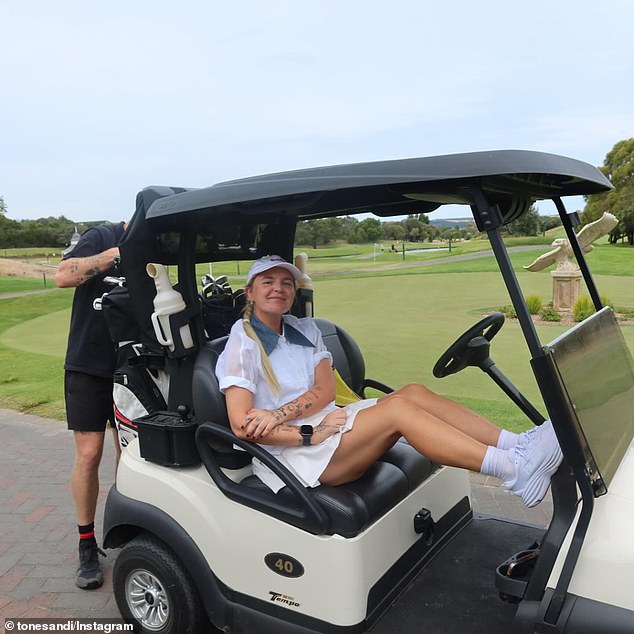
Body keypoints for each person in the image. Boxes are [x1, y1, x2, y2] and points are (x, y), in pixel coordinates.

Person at [215, 255, 563, 508]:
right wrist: (310, 433)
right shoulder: (241, 345)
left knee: (413, 392)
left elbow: (325, 392)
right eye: (268, 282)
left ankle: (518, 444)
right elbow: (243, 427)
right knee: (398, 410)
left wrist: (278, 414)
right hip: (295, 455)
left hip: (327, 426)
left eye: (286, 283)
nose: (279, 289)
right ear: (250, 292)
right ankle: (513, 470)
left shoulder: (305, 330)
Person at [55, 221, 127, 589]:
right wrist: (112, 256)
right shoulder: (104, 236)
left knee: (130, 455)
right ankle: (86, 544)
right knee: (89, 454)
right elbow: (63, 276)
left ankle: (127, 527)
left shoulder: (160, 244)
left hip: (133, 368)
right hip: (86, 365)